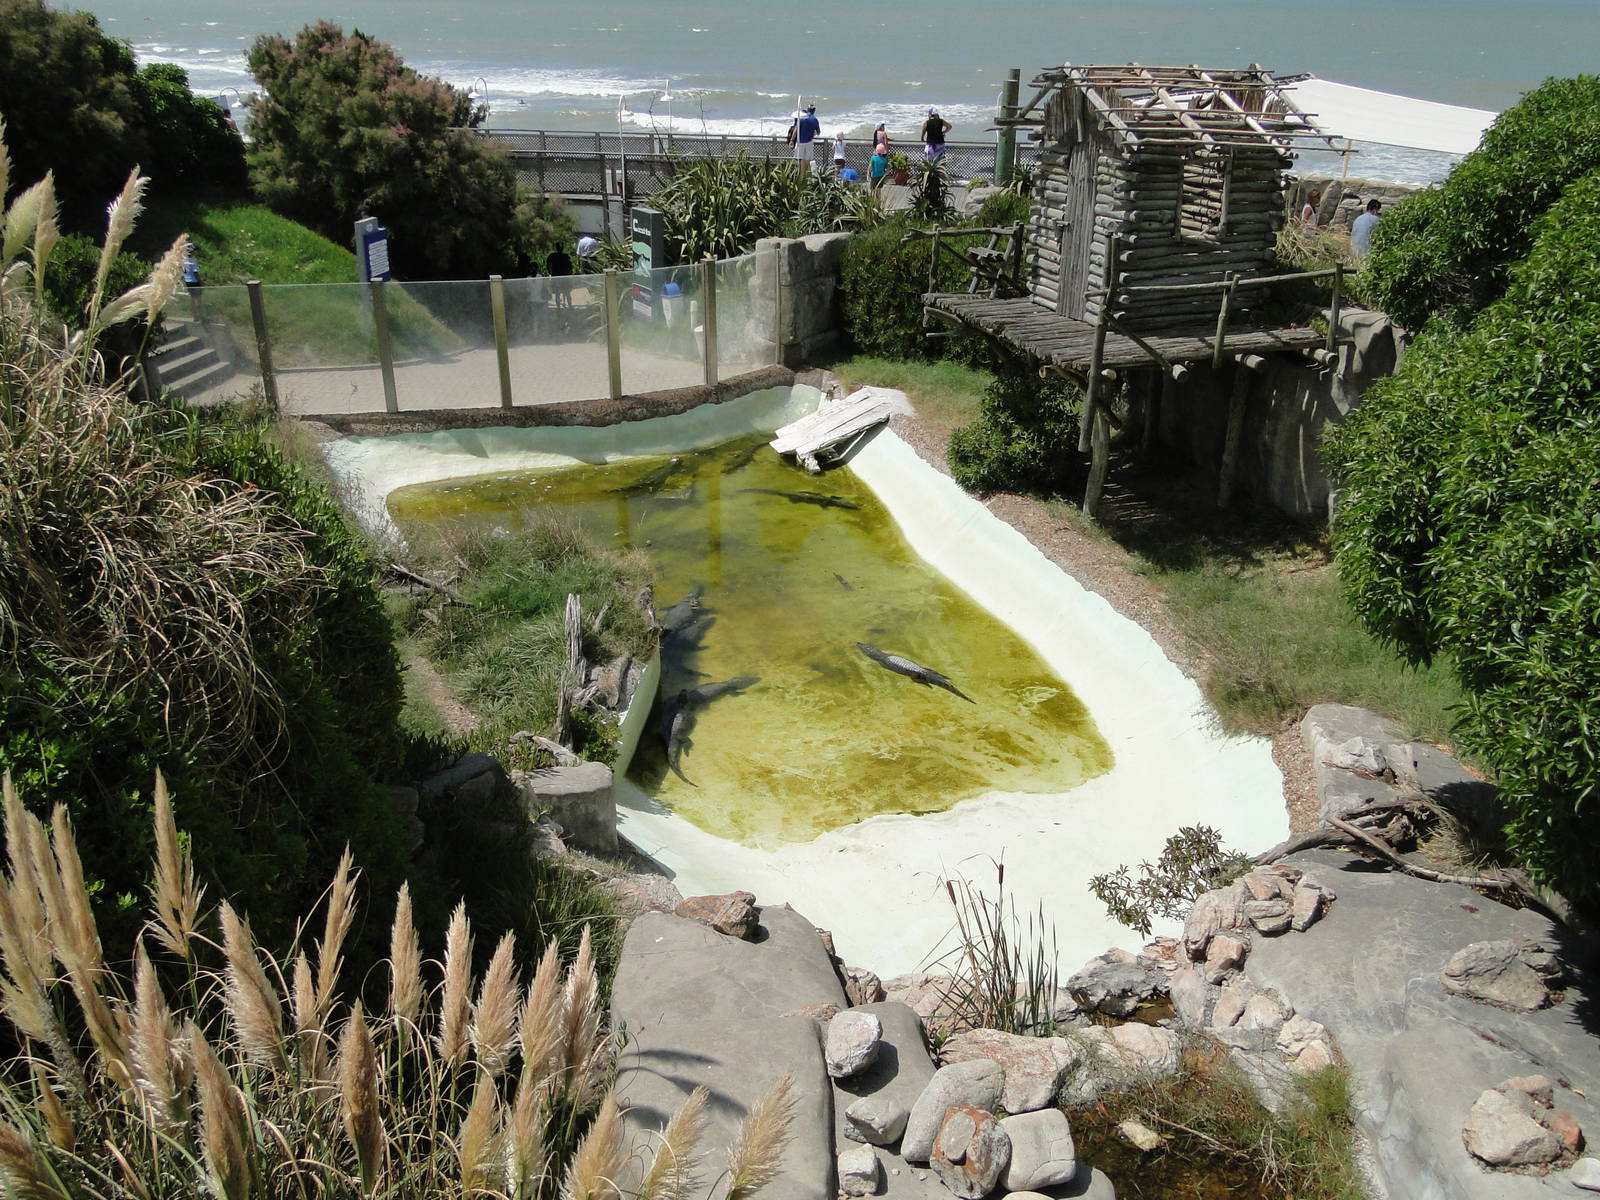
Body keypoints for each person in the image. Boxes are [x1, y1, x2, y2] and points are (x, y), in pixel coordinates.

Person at [796, 104, 821, 168]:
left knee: (800, 159)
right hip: (809, 142)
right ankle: (809, 174)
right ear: (814, 111)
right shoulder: (814, 119)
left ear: (807, 110)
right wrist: (813, 133)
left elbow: (796, 130)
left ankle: (801, 175)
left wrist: (791, 140)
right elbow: (818, 132)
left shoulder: (801, 118)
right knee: (809, 160)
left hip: (800, 141)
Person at [181, 249, 203, 319]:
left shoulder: (183, 261)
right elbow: (195, 272)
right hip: (195, 281)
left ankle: (194, 315)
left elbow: (183, 273)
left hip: (188, 282)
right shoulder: (192, 261)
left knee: (192, 299)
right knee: (198, 299)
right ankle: (199, 314)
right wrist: (200, 281)